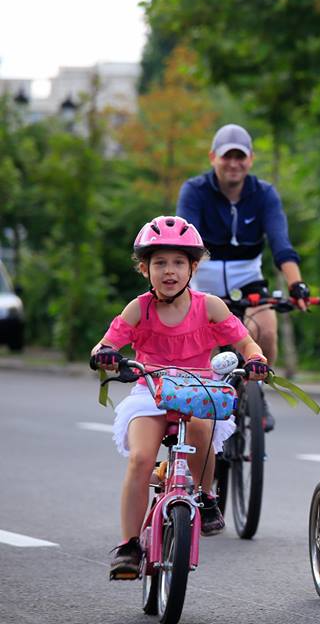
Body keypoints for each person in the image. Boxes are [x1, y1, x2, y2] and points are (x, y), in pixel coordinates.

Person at [90, 215, 270, 580]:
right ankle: (128, 546)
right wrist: (104, 354)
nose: (168, 271)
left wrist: (255, 357)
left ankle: (205, 496)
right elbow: (106, 343)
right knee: (141, 459)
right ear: (144, 269)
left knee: (203, 428)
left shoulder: (210, 307)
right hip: (151, 393)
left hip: (197, 391)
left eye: (177, 262)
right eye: (159, 263)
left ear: (193, 267)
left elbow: (245, 341)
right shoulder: (139, 309)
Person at [176, 124, 310, 432]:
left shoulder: (263, 194)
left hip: (247, 279)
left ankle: (256, 391)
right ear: (213, 158)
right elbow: (184, 240)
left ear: (250, 159)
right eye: (227, 157)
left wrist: (296, 284)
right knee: (199, 351)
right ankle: (200, 405)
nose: (233, 163)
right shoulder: (195, 190)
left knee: (265, 327)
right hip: (202, 280)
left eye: (240, 157)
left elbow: (280, 244)